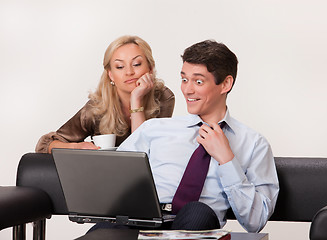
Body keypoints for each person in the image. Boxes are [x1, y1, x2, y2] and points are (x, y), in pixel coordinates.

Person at [115, 40, 279, 233]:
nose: (187, 90)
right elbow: (114, 179)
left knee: (197, 210)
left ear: (225, 84)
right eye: (184, 79)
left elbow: (255, 221)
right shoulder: (154, 129)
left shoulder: (253, 144)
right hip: (140, 223)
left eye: (198, 81)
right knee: (104, 231)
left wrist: (227, 160)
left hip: (195, 225)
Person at [35, 35, 175, 153]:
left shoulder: (163, 97)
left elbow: (142, 151)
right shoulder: (96, 108)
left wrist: (136, 99)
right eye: (120, 66)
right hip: (104, 176)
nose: (129, 72)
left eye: (137, 64)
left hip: (149, 178)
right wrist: (76, 146)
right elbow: (45, 144)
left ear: (150, 68)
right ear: (111, 75)